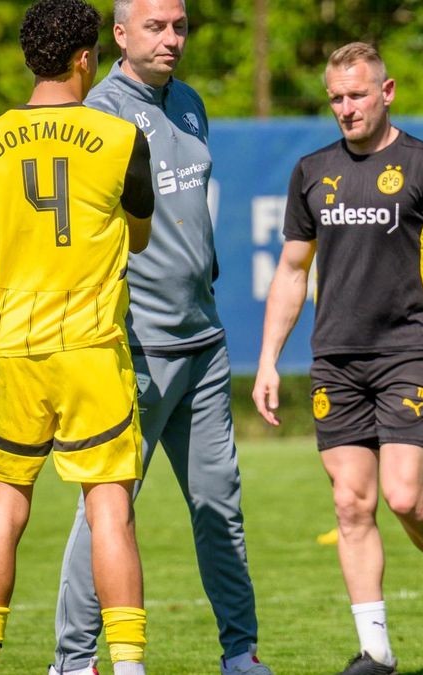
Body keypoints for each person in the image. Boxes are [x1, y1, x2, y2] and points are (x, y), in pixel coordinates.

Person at [50, 1, 273, 674]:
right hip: (133, 347)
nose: (171, 38)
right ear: (120, 35)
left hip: (203, 343)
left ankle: (240, 652)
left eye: (178, 25)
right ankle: (72, 659)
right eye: (155, 26)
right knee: (106, 508)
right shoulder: (101, 112)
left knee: (219, 505)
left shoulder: (193, 102)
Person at [253, 42, 423, 675]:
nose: (346, 108)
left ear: (387, 93)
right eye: (335, 98)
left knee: (405, 498)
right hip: (335, 359)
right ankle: (376, 652)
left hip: (410, 352)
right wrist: (269, 359)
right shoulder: (311, 171)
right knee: (351, 504)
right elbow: (292, 271)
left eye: (357, 95)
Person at [0, 1, 154, 673]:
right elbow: (142, 236)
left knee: (2, 513)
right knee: (111, 514)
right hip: (92, 351)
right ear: (86, 58)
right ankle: (125, 666)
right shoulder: (122, 139)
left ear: (26, 57)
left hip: (12, 352)